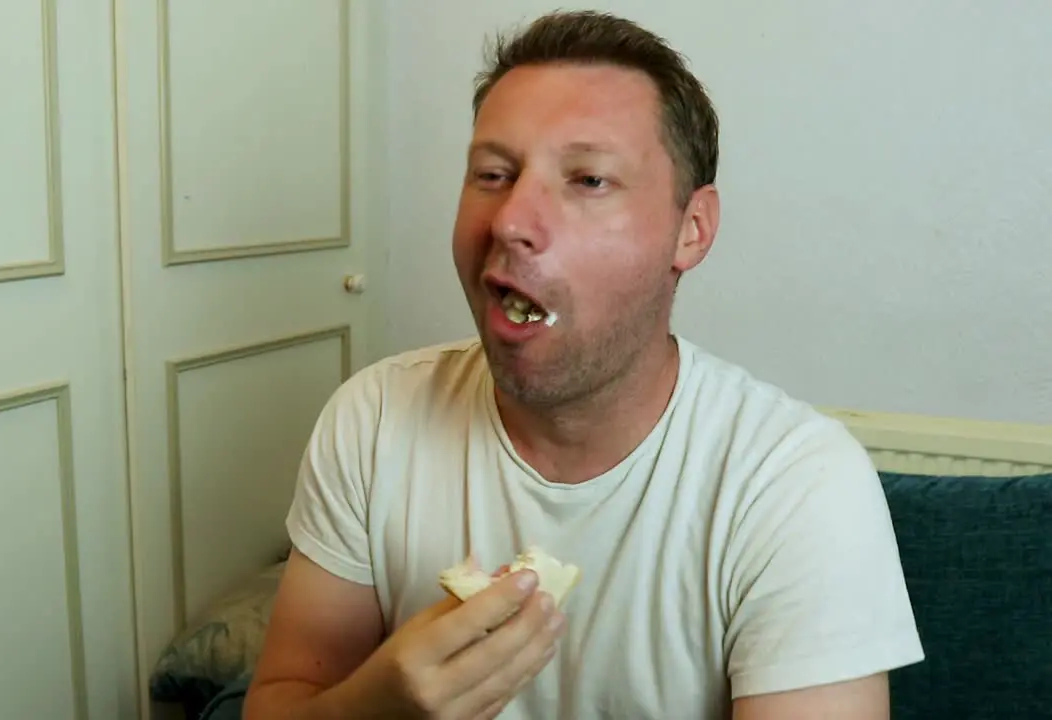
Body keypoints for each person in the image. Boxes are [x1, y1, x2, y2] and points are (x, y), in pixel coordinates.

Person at [244, 9, 924, 719]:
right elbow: (280, 701)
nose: (510, 220)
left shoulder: (795, 484)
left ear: (690, 230)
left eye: (588, 180)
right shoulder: (374, 418)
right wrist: (378, 708)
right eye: (492, 173)